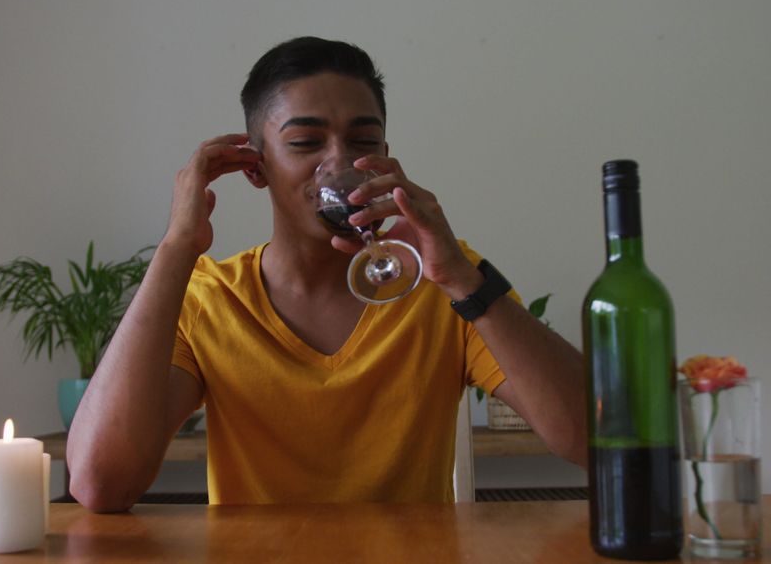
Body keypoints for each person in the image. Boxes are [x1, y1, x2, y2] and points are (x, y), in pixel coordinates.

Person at [66, 37, 586, 511]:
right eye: (306, 143)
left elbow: (597, 440)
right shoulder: (213, 298)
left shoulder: (442, 280)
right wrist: (178, 247)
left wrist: (465, 282)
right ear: (256, 167)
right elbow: (101, 484)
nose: (339, 164)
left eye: (363, 141)